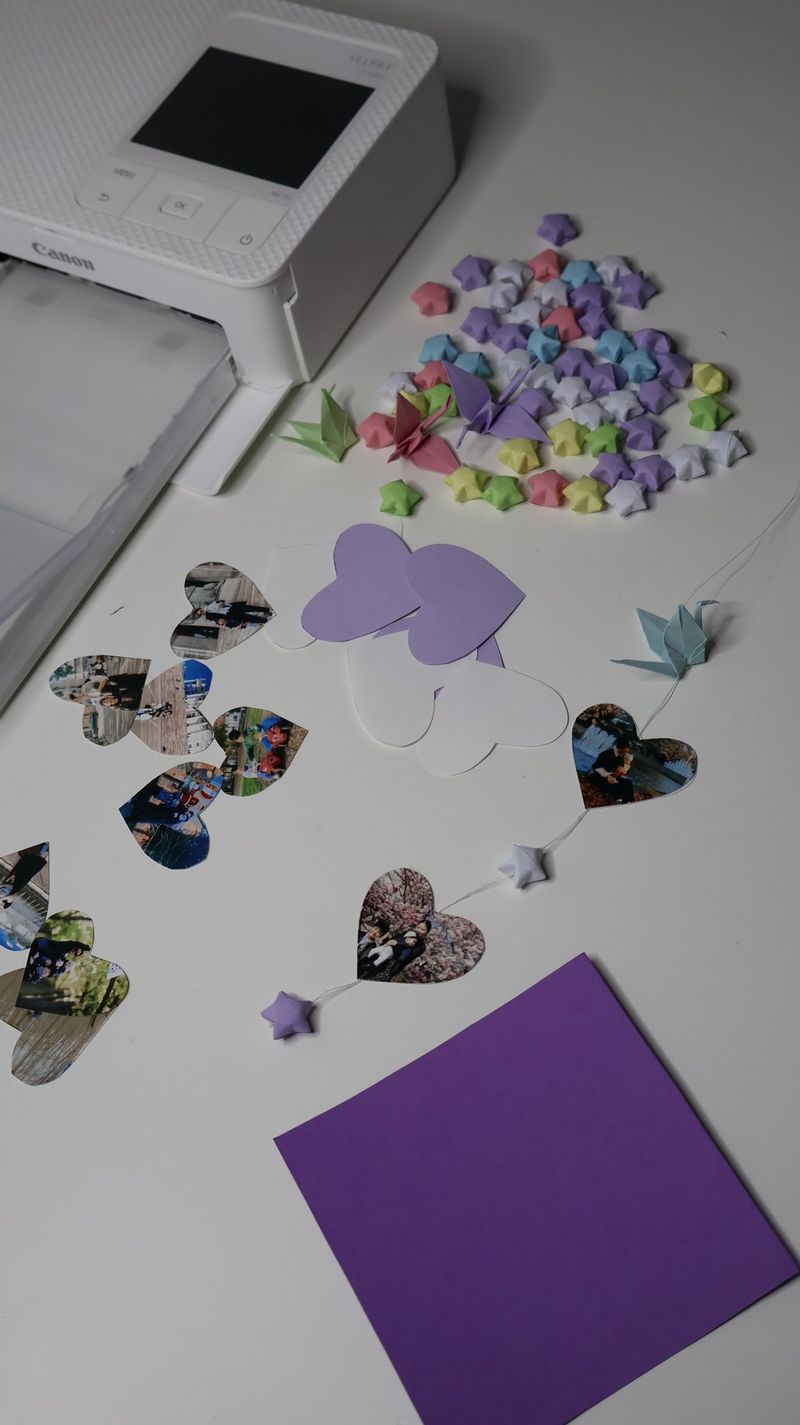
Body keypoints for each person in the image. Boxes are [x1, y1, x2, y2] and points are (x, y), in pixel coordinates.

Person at [1, 843, 48, 909]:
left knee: (28, 863)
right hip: (19, 881)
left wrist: (6, 882)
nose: (1, 904)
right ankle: (46, 852)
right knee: (34, 867)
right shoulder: (9, 900)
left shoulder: (2, 897)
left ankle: (44, 849)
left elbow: (7, 885)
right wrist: (2, 886)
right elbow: (10, 888)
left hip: (14, 879)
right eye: (2, 905)